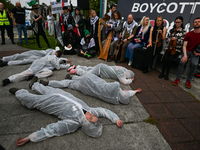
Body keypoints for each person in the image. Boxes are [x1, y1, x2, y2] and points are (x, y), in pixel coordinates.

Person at [9, 81, 123, 146]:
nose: (91, 113)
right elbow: (104, 111)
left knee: (31, 100)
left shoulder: (73, 122)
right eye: (93, 116)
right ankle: (34, 84)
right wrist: (116, 119)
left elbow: (52, 129)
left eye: (90, 117)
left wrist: (29, 138)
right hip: (61, 94)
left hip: (49, 103)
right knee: (46, 89)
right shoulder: (91, 111)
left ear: (85, 123)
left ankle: (19, 92)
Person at [40, 73, 141, 104]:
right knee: (71, 83)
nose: (125, 92)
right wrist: (135, 91)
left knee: (72, 83)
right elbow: (128, 93)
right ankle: (49, 83)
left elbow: (116, 85)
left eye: (124, 94)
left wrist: (133, 91)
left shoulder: (114, 89)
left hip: (89, 82)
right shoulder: (114, 99)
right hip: (87, 87)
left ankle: (50, 82)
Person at [1, 51, 70, 86]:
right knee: (27, 72)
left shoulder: (57, 59)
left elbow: (60, 62)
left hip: (43, 67)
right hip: (38, 65)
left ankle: (34, 76)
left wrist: (67, 63)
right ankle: (9, 79)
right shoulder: (52, 56)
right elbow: (56, 64)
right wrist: (58, 67)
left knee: (50, 72)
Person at [173, 17, 200, 88]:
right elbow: (184, 46)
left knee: (194, 64)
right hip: (187, 51)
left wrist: (199, 53)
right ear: (193, 24)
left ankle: (188, 80)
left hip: (195, 53)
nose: (197, 23)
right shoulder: (188, 34)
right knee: (182, 62)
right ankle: (177, 79)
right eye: (195, 22)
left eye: (198, 22)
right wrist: (185, 55)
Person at [159, 16, 186, 80]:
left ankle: (167, 74)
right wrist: (168, 39)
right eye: (176, 22)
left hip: (176, 49)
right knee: (164, 58)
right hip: (169, 48)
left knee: (169, 59)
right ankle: (162, 72)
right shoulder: (172, 30)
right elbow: (167, 38)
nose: (177, 24)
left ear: (181, 22)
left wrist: (176, 39)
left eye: (178, 22)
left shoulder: (184, 32)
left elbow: (183, 42)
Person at [68, 63, 135, 85]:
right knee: (88, 74)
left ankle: (77, 66)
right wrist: (131, 80)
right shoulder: (121, 73)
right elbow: (124, 82)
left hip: (101, 67)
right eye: (127, 77)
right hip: (100, 70)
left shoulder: (123, 68)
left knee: (90, 69)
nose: (125, 77)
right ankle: (76, 70)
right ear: (127, 75)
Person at [0, 47, 68, 67]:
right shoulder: (54, 50)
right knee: (20, 55)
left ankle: (7, 63)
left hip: (39, 58)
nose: (55, 54)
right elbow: (57, 47)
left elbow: (60, 59)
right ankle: (3, 59)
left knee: (25, 61)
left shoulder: (56, 57)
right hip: (38, 53)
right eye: (56, 53)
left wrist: (66, 59)